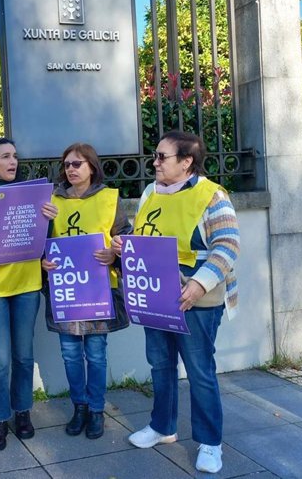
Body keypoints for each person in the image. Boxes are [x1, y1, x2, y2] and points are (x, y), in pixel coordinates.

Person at [112, 130, 240, 474]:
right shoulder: (150, 192)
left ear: (186, 162)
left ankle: (210, 443)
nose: (154, 162)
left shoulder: (212, 195)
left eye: (161, 157)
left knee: (200, 371)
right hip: (156, 295)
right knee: (160, 365)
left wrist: (199, 284)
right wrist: (125, 245)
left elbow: (228, 245)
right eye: (154, 156)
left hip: (196, 300)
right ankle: (162, 427)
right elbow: (143, 236)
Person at [0, 137, 57, 451]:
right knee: (0, 359)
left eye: (15, 156)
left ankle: (22, 412)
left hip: (27, 286)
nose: (12, 161)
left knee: (23, 356)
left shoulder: (34, 197)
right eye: (5, 156)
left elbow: (48, 243)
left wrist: (50, 219)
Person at [41, 143, 131, 439]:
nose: (71, 169)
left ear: (92, 166)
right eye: (67, 164)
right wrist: (44, 259)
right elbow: (38, 241)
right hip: (65, 289)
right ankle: (78, 407)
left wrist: (114, 255)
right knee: (69, 353)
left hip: (98, 290)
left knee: (95, 353)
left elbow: (125, 239)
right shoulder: (50, 200)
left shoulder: (109, 198)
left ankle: (96, 409)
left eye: (77, 163)